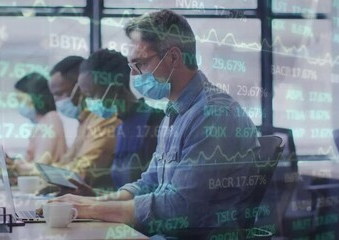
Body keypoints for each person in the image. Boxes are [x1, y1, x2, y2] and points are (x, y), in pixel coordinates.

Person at [44, 9, 261, 238]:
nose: (135, 75)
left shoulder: (213, 114)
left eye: (141, 64)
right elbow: (149, 183)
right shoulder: (173, 113)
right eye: (131, 67)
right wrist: (94, 201)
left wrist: (91, 208)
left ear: (174, 57)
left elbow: (179, 207)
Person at [66, 49, 164, 196]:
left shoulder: (154, 123)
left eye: (92, 95)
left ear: (115, 87)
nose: (88, 103)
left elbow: (154, 194)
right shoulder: (121, 127)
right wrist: (93, 195)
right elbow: (123, 191)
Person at [0, 72, 67, 176]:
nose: (19, 105)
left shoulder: (50, 121)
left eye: (21, 99)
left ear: (34, 97)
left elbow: (36, 170)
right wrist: (10, 165)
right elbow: (31, 166)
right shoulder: (44, 122)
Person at [49, 56, 121, 189]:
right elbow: (67, 160)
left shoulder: (103, 115)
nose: (57, 101)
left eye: (59, 94)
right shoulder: (84, 119)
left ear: (80, 86)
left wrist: (49, 175)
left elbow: (83, 169)